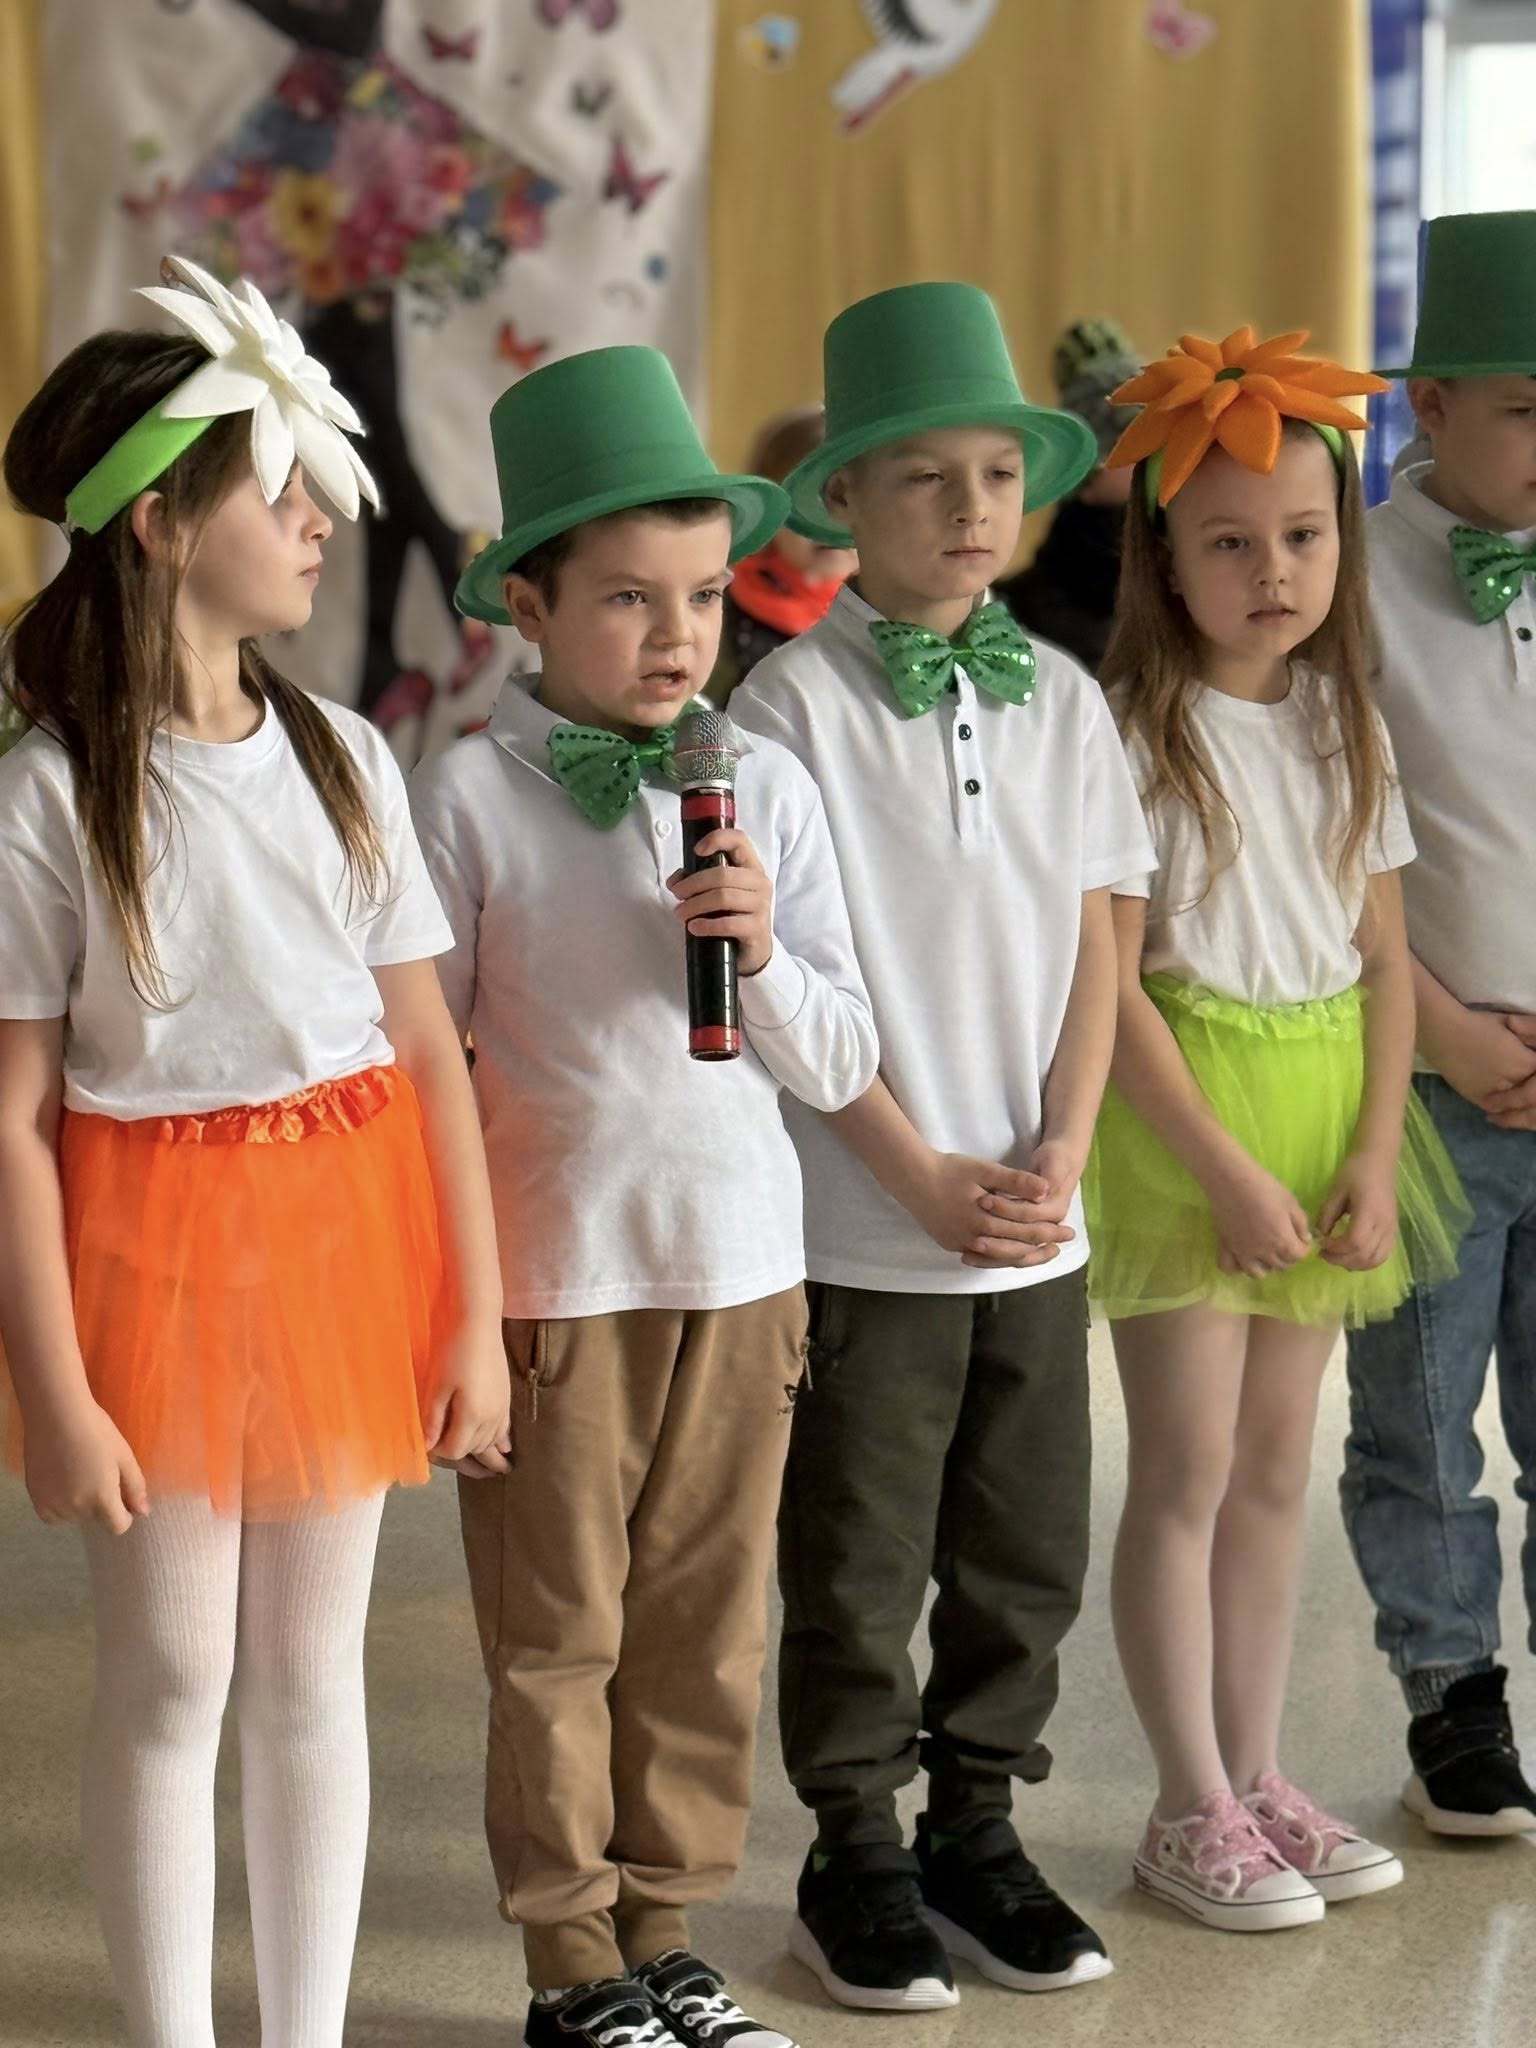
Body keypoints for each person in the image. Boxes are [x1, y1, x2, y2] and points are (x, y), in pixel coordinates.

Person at [0, 255, 507, 2048]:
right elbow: (15, 1117)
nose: (317, 522)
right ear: (157, 523)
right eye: (280, 488)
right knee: (172, 1674)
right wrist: (55, 1386)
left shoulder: (346, 755)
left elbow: (428, 1057)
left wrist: (472, 1315)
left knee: (308, 1674)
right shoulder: (51, 794)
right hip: (148, 1255)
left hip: (340, 1242)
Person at [411, 344, 878, 2048]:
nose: (678, 635)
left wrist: (757, 949)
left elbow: (841, 1053)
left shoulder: (768, 787)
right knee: (558, 1637)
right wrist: (456, 1315)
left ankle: (670, 1930)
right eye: (626, 598)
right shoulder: (468, 793)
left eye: (699, 595)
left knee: (704, 1625)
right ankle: (571, 1959)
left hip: (745, 1275)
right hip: (559, 1286)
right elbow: (422, 1070)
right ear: (529, 603)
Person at [733, 281, 1152, 2010]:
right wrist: (912, 1171)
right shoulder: (785, 711)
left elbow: (1102, 932)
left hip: (1034, 1215)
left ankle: (979, 1827)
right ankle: (855, 1850)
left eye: (995, 473)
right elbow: (782, 979)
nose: (971, 508)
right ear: (843, 494)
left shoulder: (1064, 697)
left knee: (1024, 1549)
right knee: (855, 1558)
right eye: (923, 476)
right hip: (866, 1217)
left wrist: (1065, 1143)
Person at [1087, 323, 1468, 1929]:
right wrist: (1222, 1167)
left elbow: (1384, 966)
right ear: (1166, 560)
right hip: (1191, 1122)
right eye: (1231, 545)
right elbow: (1110, 992)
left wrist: (1375, 1151)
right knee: (1182, 1469)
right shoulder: (1129, 738)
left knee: (1269, 1473)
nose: (1274, 572)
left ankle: (1256, 1772)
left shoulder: (1344, 724)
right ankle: (1186, 1800)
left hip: (1325, 1110)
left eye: (1304, 537)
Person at [1340, 209, 1536, 1835]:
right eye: (1528, 410)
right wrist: (1448, 1032)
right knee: (1418, 1419)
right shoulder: (1349, 589)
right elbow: (1332, 850)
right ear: (1432, 406)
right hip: (1428, 1076)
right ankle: (1451, 1696)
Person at [994, 316, 1140, 673]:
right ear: (1087, 476)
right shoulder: (1019, 606)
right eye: (1131, 445)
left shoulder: (1178, 566)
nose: (1155, 458)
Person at [708, 404, 856, 703]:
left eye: (844, 499)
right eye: (807, 504)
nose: (827, 521)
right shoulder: (724, 595)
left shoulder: (881, 607)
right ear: (769, 509)